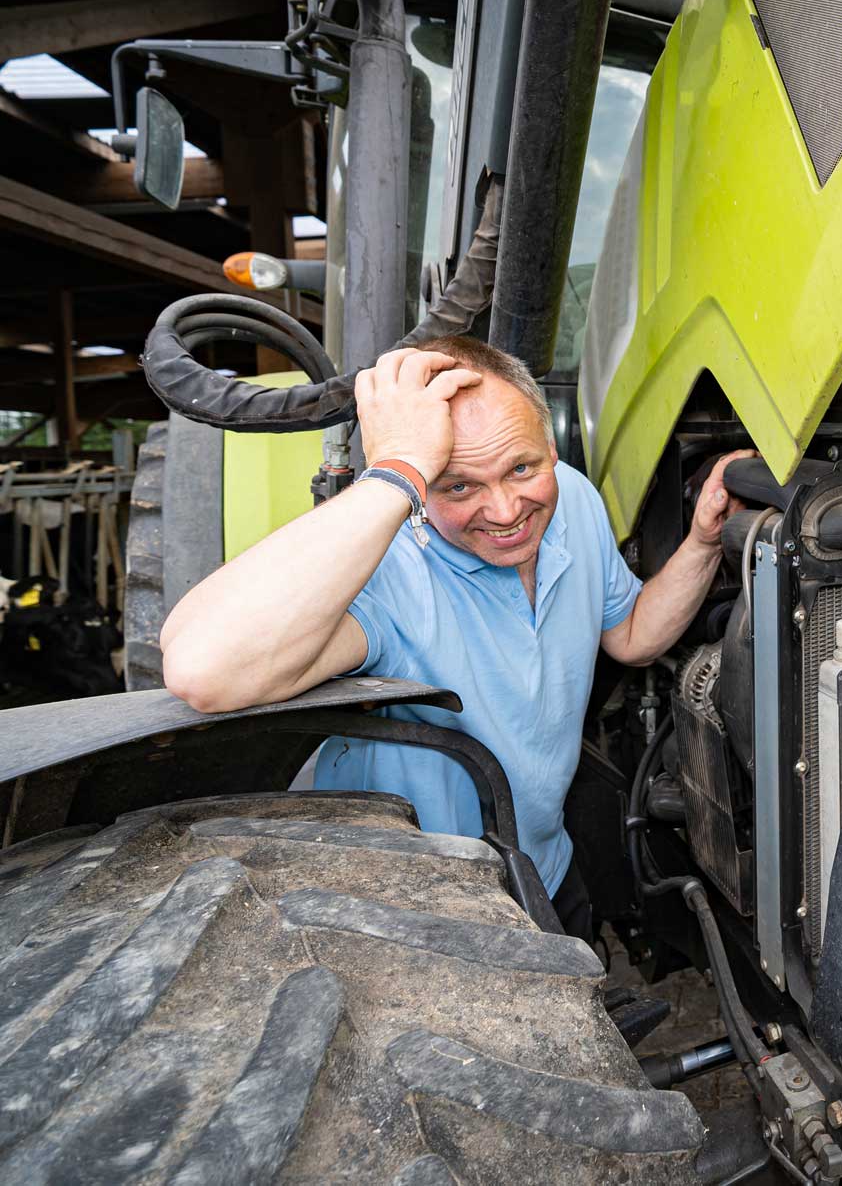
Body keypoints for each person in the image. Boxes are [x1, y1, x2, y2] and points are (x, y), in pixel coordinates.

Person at [161, 337, 749, 941]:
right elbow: (202, 670)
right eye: (457, 487)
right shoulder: (391, 566)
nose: (505, 510)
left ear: (550, 445)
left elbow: (631, 635)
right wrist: (394, 474)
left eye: (522, 468)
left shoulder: (570, 497)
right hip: (425, 912)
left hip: (539, 868)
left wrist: (704, 544)